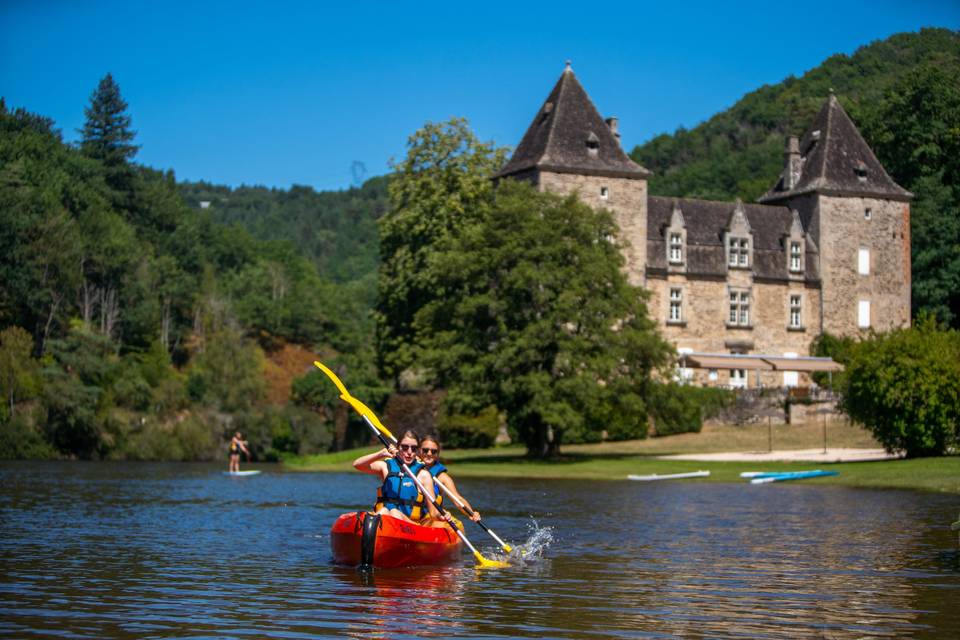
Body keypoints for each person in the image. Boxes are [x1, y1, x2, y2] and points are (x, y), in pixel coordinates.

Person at [352, 430, 450, 525]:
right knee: (384, 511)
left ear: (418, 450)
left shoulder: (423, 475)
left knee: (394, 512)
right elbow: (357, 464)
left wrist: (443, 515)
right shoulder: (386, 467)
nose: (409, 452)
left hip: (411, 526)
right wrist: (380, 454)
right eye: (405, 447)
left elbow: (433, 512)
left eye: (414, 448)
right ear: (397, 447)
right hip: (385, 519)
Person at [418, 433, 481, 525]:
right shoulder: (409, 466)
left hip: (431, 518)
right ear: (419, 450)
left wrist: (471, 513)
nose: (429, 454)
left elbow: (457, 499)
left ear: (437, 454)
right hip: (410, 516)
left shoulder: (442, 478)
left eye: (433, 451)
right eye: (425, 450)